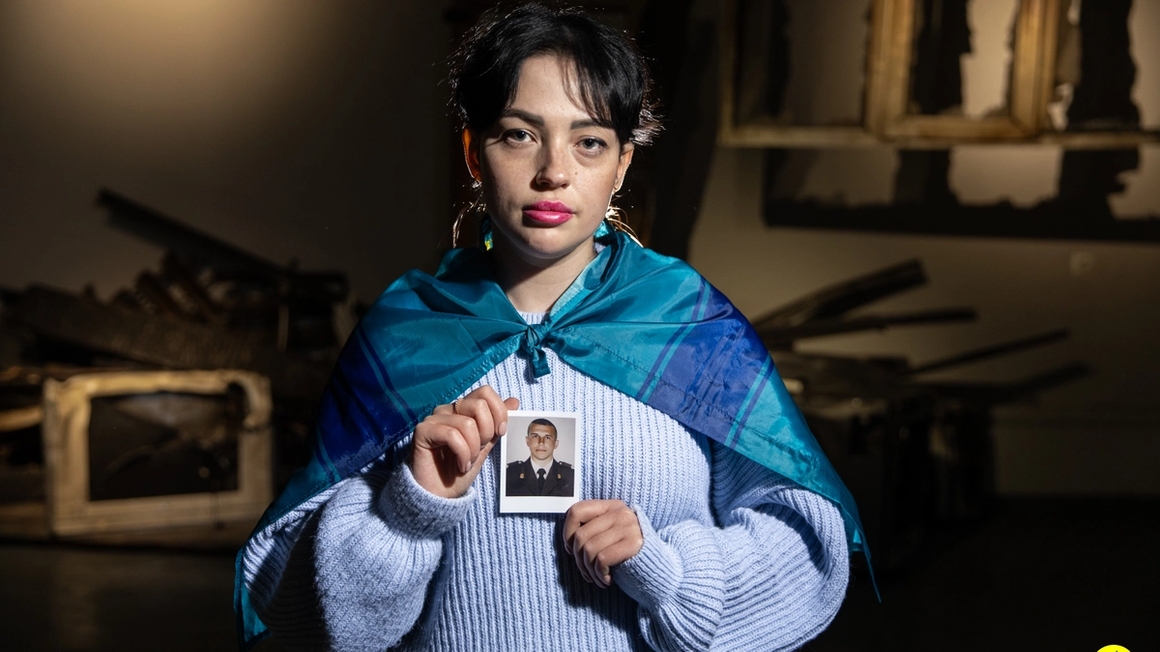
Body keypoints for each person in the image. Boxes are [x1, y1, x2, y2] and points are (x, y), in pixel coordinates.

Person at [236, 4, 870, 651]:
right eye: (519, 134)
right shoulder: (408, 335)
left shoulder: (688, 324)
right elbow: (308, 622)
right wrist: (411, 504)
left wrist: (665, 567)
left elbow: (801, 547)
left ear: (622, 163)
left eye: (588, 141)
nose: (553, 172)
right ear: (473, 153)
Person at [506, 418, 574, 497]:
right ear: (527, 441)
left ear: (556, 443)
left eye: (548, 437)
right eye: (535, 436)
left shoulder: (570, 476)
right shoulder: (510, 474)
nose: (541, 442)